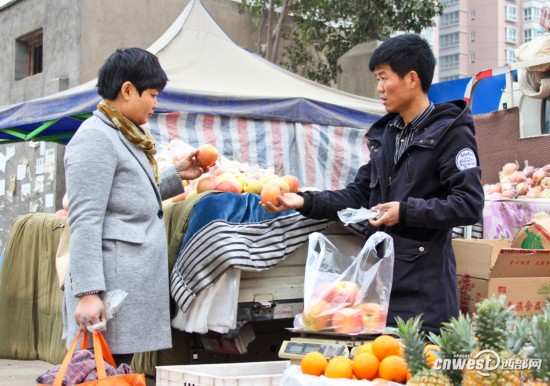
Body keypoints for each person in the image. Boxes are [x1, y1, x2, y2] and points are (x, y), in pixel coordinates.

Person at [262, 34, 484, 334]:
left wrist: (404, 211)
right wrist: (303, 201)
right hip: (381, 286)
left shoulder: (450, 133)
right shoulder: (388, 134)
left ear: (412, 78)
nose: (378, 88)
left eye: (383, 78)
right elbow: (359, 194)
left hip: (425, 290)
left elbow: (468, 204)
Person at [62, 47, 208, 365]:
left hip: (123, 293)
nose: (156, 104)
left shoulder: (124, 135)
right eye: (152, 95)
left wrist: (176, 176)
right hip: (108, 294)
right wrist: (87, 294)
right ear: (127, 90)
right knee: (101, 375)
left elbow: (128, 197)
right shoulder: (95, 138)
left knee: (115, 374)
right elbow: (85, 219)